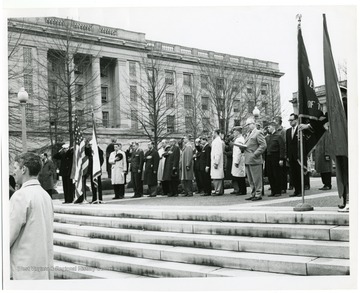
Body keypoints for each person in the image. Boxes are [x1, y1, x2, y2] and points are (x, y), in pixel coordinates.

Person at [10, 152, 54, 280]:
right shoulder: (46, 195)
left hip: (24, 271)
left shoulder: (20, 196)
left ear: (24, 169)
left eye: (15, 168)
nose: (14, 172)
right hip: (43, 270)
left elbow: (7, 236)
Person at [242, 117, 267, 201]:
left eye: (249, 124)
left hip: (255, 159)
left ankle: (258, 193)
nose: (248, 126)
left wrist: (255, 154)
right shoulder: (248, 134)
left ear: (254, 124)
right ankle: (253, 193)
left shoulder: (258, 133)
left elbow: (263, 145)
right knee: (251, 179)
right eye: (247, 125)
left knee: (257, 178)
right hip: (248, 159)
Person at [265, 121, 285, 197]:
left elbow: (282, 148)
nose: (268, 129)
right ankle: (273, 191)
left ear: (273, 127)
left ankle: (278, 191)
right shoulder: (269, 136)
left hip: (276, 156)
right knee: (270, 174)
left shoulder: (278, 136)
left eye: (269, 127)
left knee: (276, 174)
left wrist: (281, 158)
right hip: (269, 156)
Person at [273, 116, 288, 193]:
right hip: (275, 154)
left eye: (275, 121)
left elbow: (284, 143)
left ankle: (283, 187)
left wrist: (284, 155)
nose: (274, 122)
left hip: (281, 153)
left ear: (278, 122)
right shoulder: (274, 131)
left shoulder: (283, 131)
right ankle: (277, 185)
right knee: (276, 171)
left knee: (282, 171)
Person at [231, 126, 247, 195]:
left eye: (234, 132)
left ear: (237, 132)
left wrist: (236, 161)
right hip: (238, 159)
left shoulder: (239, 140)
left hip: (239, 160)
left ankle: (242, 190)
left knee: (240, 176)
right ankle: (241, 190)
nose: (233, 133)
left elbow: (239, 151)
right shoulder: (238, 139)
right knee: (238, 176)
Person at [210, 129, 224, 196]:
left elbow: (218, 152)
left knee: (218, 177)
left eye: (213, 133)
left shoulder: (218, 141)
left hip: (216, 161)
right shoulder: (216, 141)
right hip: (215, 160)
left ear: (215, 133)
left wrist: (216, 162)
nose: (212, 134)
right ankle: (216, 189)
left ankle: (218, 190)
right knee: (215, 177)